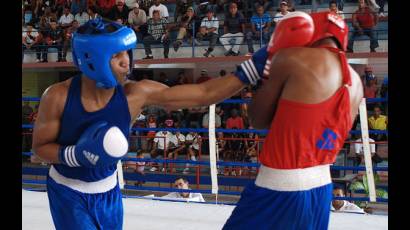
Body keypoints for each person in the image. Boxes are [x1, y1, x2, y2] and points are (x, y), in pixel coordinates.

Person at [32, 16, 268, 229]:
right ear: (92, 59)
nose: (127, 62)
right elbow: (40, 148)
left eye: (126, 52)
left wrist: (248, 72)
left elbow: (202, 94)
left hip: (108, 190)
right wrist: (75, 154)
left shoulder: (136, 94)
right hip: (68, 191)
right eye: (116, 56)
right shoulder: (57, 96)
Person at [222, 11, 364, 229]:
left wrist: (271, 65)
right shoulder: (356, 82)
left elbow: (257, 119)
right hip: (321, 186)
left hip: (280, 184)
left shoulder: (294, 58)